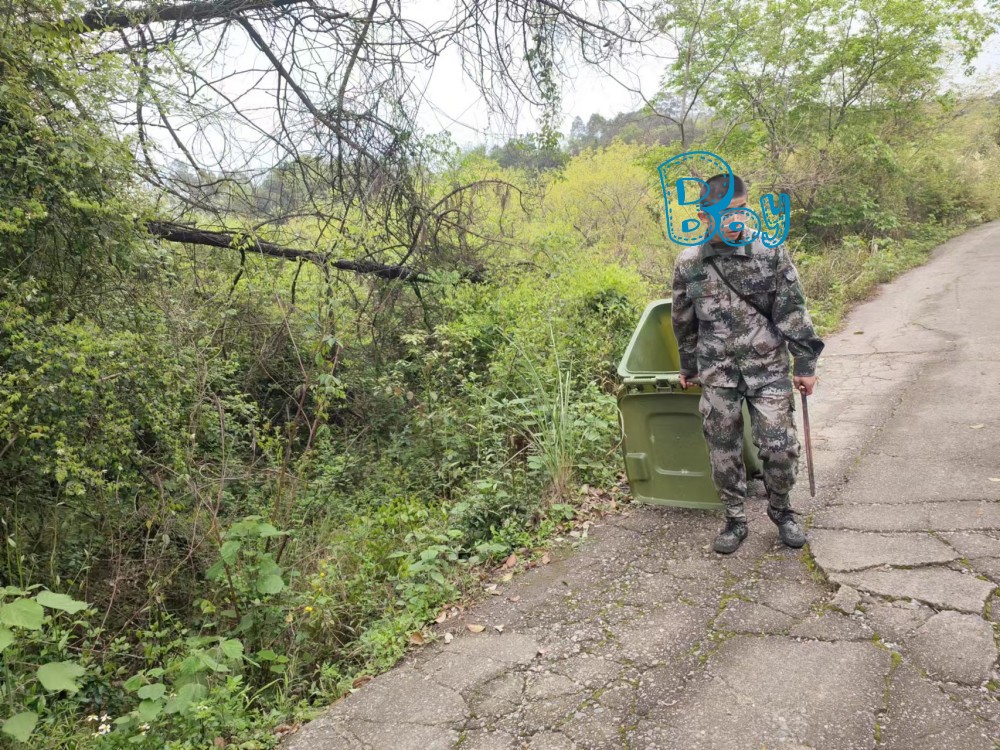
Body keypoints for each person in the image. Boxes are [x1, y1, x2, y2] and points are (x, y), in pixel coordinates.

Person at [670, 173, 825, 554]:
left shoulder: (769, 251)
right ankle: (735, 519)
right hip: (717, 372)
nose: (733, 220)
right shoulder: (689, 263)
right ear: (704, 216)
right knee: (723, 451)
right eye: (723, 214)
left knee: (779, 447)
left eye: (739, 210)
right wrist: (688, 367)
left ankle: (781, 510)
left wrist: (805, 364)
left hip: (768, 367)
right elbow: (683, 320)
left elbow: (792, 311)